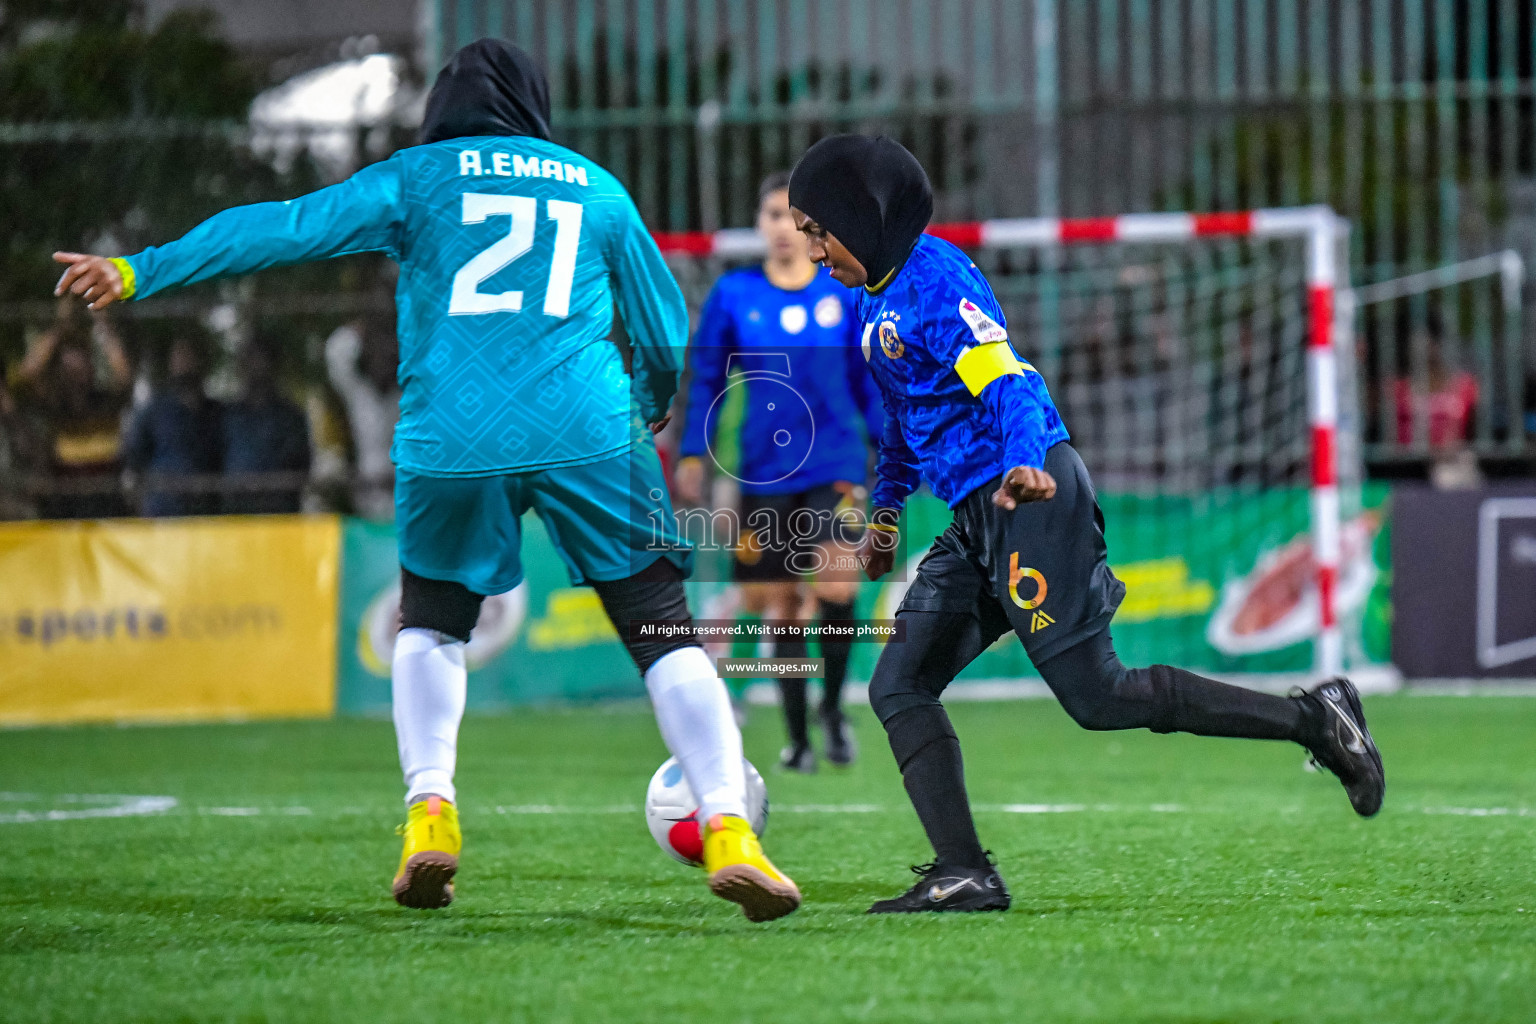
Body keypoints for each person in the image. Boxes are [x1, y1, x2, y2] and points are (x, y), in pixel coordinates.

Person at [54, 38, 799, 923]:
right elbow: (661, 319)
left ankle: (430, 812)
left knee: (433, 623)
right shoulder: (595, 186)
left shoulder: (417, 177)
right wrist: (645, 406)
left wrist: (142, 269)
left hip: (454, 429)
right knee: (664, 632)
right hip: (587, 429)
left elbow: (283, 226)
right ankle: (728, 828)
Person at [787, 134, 1385, 914]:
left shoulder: (934, 283)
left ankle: (1316, 719)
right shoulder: (874, 302)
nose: (809, 246)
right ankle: (964, 871)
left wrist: (1027, 459)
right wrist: (888, 515)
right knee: (899, 684)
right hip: (976, 521)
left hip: (1030, 500)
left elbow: (1010, 382)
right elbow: (904, 425)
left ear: (858, 218)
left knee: (1098, 697)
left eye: (815, 227)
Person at [674, 171, 882, 772]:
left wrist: (893, 448)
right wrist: (693, 452)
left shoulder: (842, 292)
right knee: (782, 602)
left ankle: (835, 708)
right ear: (759, 225)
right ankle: (797, 737)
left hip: (837, 461)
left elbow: (867, 383)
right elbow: (707, 381)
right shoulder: (735, 296)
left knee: (837, 582)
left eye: (798, 218)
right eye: (773, 215)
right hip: (764, 473)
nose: (785, 229)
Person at [10, 303, 132, 519]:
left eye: (81, 362)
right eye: (68, 364)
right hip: (64, 511)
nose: (75, 370)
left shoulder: (105, 403)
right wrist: (60, 327)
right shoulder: (54, 407)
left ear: (91, 367)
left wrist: (102, 325)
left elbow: (123, 376)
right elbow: (25, 378)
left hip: (108, 506)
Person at [121, 335, 223, 517]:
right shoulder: (153, 410)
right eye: (179, 355)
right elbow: (134, 457)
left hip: (207, 515)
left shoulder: (217, 412)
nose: (185, 361)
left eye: (190, 355)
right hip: (163, 512)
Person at [325, 302, 401, 518]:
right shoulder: (360, 394)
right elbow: (336, 353)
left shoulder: (409, 396)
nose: (383, 360)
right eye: (377, 354)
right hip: (368, 501)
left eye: (389, 355)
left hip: (407, 496)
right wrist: (362, 327)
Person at [222, 336, 312, 514]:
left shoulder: (291, 415)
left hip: (278, 512)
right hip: (235, 514)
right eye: (250, 359)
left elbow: (302, 463)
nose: (256, 366)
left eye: (262, 359)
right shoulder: (228, 414)